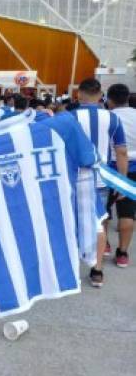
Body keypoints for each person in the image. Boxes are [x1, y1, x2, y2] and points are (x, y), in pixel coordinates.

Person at [71, 78, 128, 288]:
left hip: (74, 179)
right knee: (99, 222)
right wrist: (121, 182)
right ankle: (97, 271)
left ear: (79, 94)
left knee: (70, 222)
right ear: (100, 94)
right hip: (102, 180)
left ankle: (70, 271)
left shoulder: (70, 117)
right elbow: (121, 152)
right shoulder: (113, 119)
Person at [105, 84, 136, 267]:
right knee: (127, 212)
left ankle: (105, 245)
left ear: (109, 99)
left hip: (109, 168)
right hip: (133, 169)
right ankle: (123, 253)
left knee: (104, 211)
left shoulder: (108, 117)